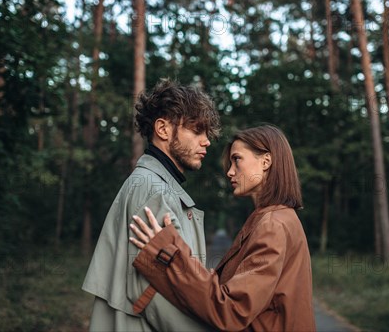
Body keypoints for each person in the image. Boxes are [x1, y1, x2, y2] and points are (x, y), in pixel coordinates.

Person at [130, 125, 316, 332]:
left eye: (237, 159)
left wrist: (169, 254)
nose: (230, 172)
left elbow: (232, 309)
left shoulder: (274, 225)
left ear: (266, 161)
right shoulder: (273, 218)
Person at [82, 79, 221, 331]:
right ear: (163, 129)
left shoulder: (154, 185)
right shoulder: (153, 190)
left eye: (207, 133)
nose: (206, 141)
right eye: (197, 130)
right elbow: (153, 292)